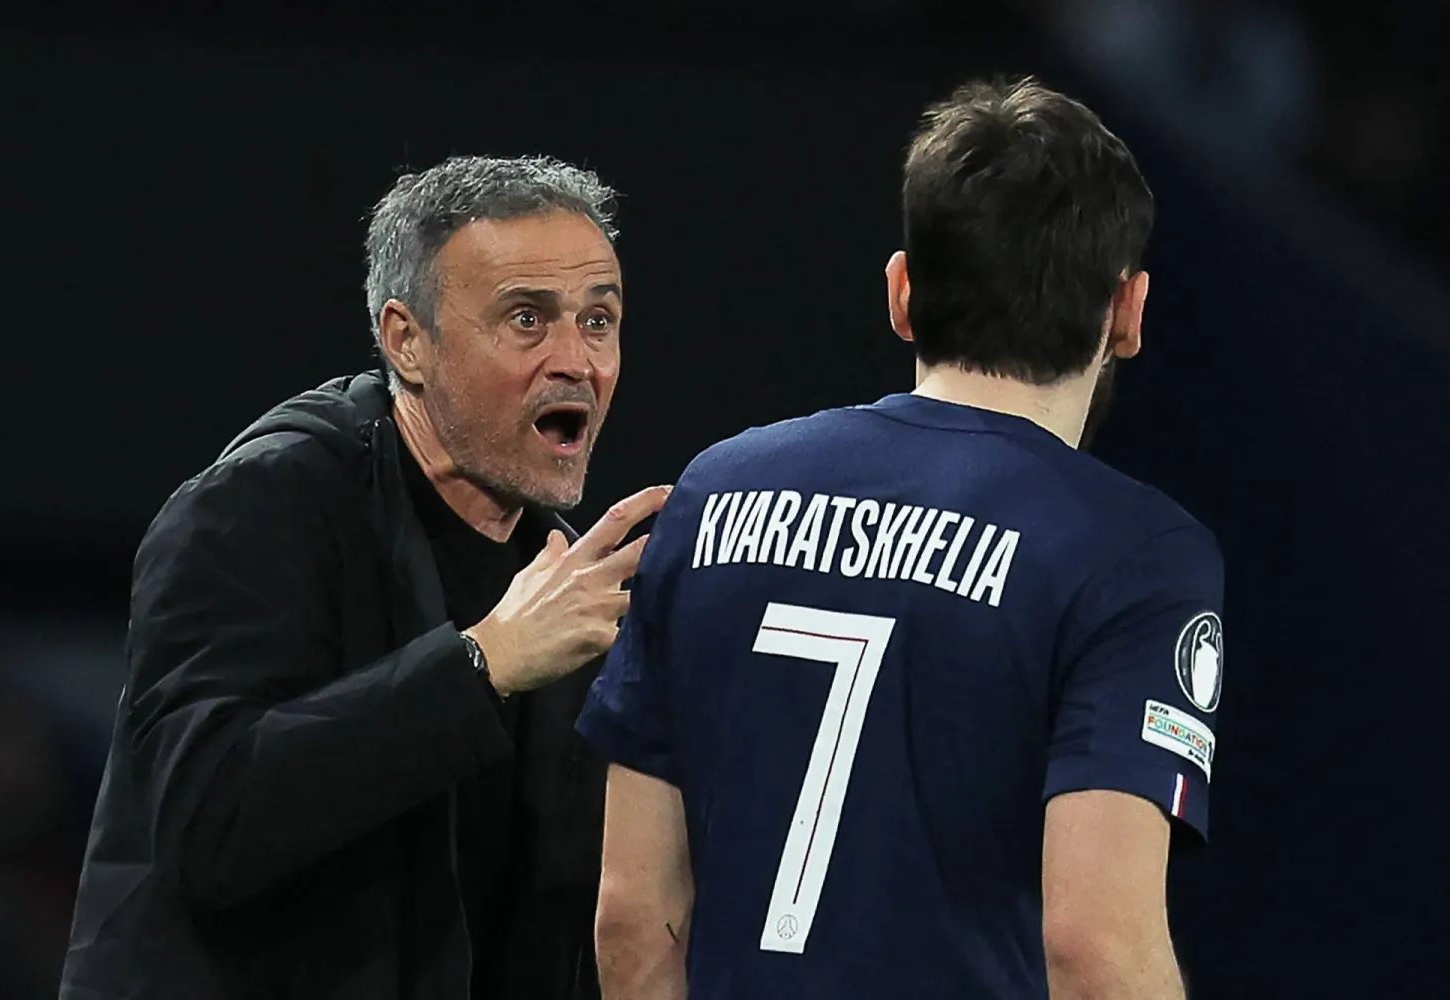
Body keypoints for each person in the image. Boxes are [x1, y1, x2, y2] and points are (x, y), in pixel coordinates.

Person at [576, 79, 1224, 999]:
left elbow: (633, 919)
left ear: (902, 291)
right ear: (1128, 311)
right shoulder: (1138, 554)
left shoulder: (715, 489)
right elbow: (1099, 954)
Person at [60, 155, 668, 1000]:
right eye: (527, 319)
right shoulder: (264, 503)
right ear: (406, 341)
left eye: (598, 321)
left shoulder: (560, 578)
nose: (577, 360)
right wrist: (481, 665)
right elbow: (207, 824)